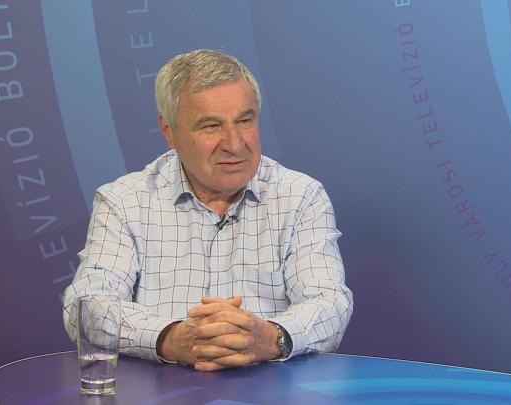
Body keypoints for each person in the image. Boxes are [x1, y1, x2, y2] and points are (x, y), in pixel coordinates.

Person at [63, 49, 353, 371]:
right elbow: (86, 306)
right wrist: (169, 338)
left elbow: (329, 303)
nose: (234, 143)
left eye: (245, 121)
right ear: (169, 131)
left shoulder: (300, 197)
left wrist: (270, 337)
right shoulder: (124, 201)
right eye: (211, 126)